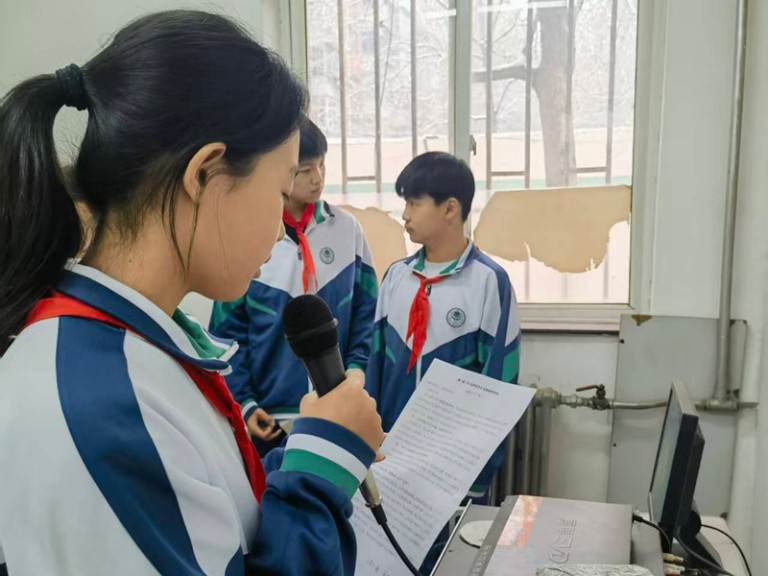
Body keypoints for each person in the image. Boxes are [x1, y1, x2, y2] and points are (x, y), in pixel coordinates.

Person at [0, 10, 383, 576]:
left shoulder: (139, 349)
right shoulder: (103, 401)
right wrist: (321, 474)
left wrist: (302, 457)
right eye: (279, 192)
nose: (281, 228)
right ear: (205, 174)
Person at [209, 119, 378, 456]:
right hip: (271, 420)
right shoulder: (249, 235)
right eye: (305, 170)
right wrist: (244, 402)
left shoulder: (347, 230)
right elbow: (228, 333)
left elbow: (367, 313)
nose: (318, 178)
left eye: (322, 165)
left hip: (338, 411)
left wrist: (356, 370)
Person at [365, 151, 521, 503]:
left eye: (414, 203)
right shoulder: (396, 277)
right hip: (391, 459)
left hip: (453, 470)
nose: (405, 215)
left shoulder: (488, 282)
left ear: (450, 209)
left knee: (452, 541)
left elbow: (499, 387)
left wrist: (476, 473)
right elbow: (375, 368)